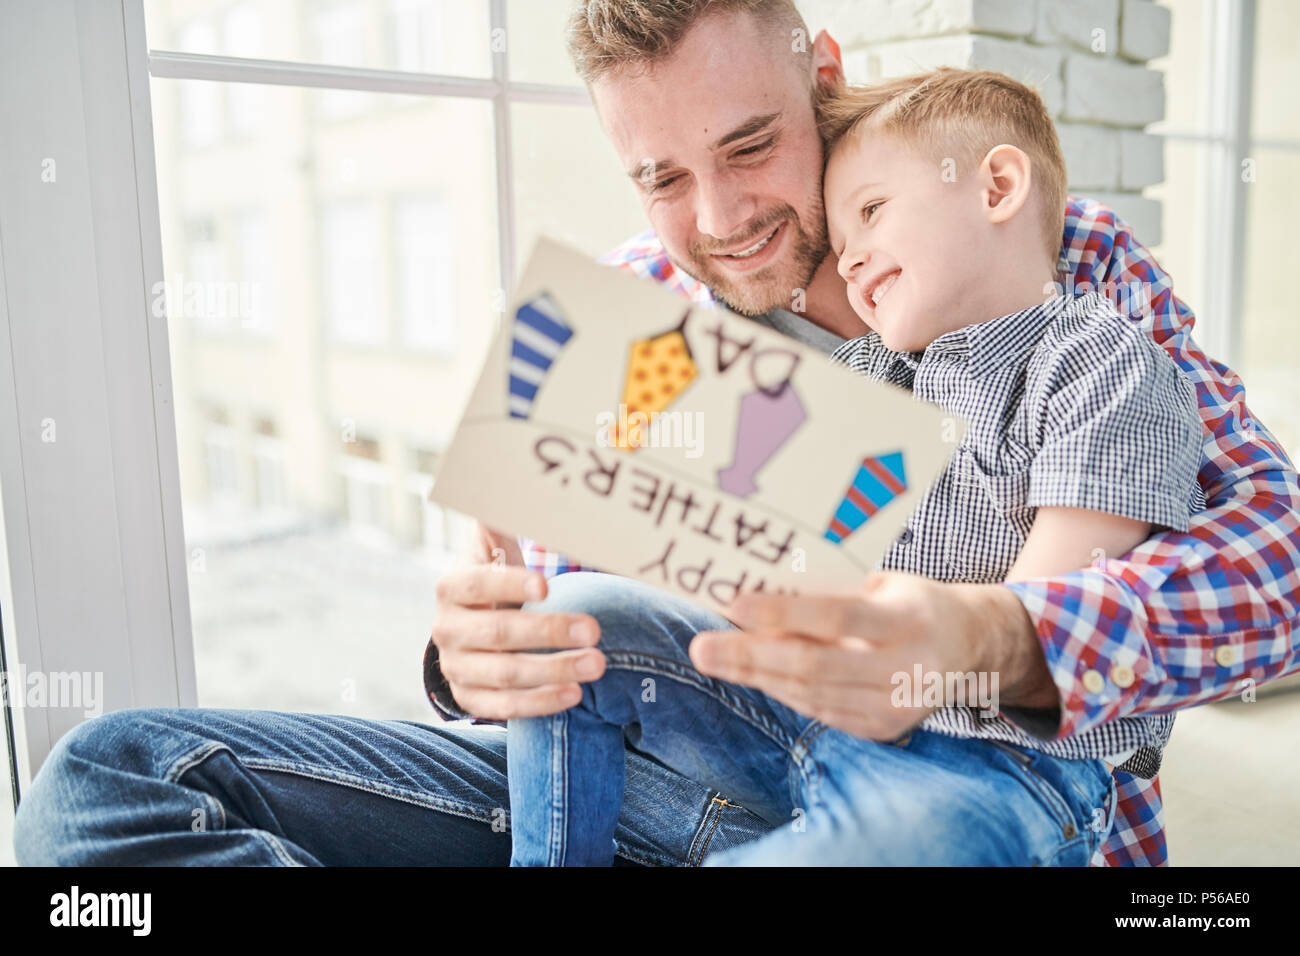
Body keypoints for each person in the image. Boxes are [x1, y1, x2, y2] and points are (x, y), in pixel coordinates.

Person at [14, 0, 1298, 868]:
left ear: (823, 76)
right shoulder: (636, 313)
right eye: (664, 177)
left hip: (961, 800)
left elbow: (1279, 572)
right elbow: (576, 622)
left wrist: (996, 634)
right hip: (654, 781)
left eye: (750, 145)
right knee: (109, 780)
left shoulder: (1039, 259)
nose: (723, 216)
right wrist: (477, 659)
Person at [504, 67, 1206, 866]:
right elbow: (794, 557)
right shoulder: (875, 373)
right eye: (842, 241)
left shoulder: (1102, 363)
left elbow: (1040, 613)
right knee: (569, 618)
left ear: (998, 188)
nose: (851, 262)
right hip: (835, 723)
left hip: (1007, 769)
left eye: (872, 214)